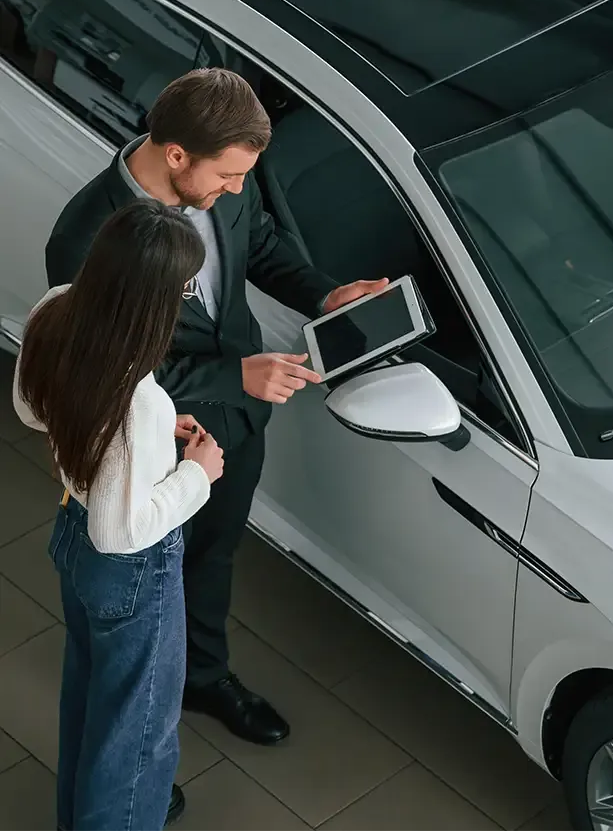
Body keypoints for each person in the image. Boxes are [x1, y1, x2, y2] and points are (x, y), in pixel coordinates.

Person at [45, 69, 388, 759]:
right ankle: (134, 747)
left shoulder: (225, 172)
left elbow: (257, 245)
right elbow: (105, 370)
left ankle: (201, 677)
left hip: (233, 431)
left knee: (210, 560)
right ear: (176, 155)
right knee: (141, 607)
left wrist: (323, 295)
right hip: (151, 451)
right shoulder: (85, 240)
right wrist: (236, 375)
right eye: (228, 176)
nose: (236, 188)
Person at [14, 200, 225, 831]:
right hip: (132, 571)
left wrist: (150, 444)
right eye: (183, 286)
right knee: (137, 741)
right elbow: (121, 530)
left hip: (71, 540)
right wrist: (196, 474)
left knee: (89, 703)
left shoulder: (55, 308)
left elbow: (31, 410)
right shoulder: (135, 398)